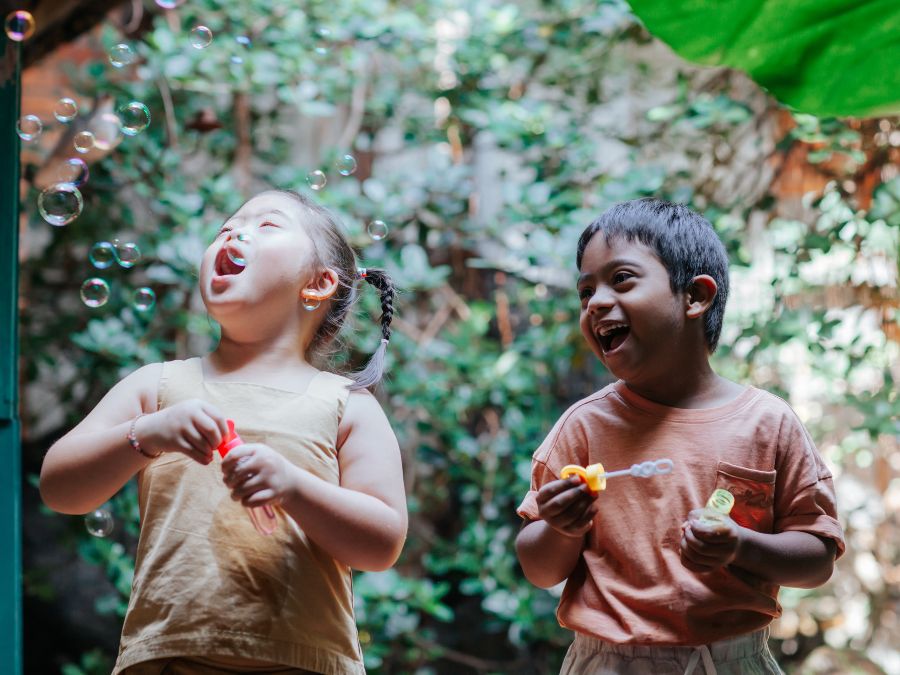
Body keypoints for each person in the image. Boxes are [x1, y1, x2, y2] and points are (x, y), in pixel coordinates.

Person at [40, 189, 408, 675]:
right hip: (170, 656)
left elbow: (382, 544)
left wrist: (295, 487)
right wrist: (146, 433)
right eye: (226, 228)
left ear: (318, 284)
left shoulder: (345, 406)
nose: (234, 233)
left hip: (304, 662)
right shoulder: (159, 386)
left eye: (267, 226)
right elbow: (60, 487)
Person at [514, 198, 844, 674]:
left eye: (621, 279)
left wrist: (740, 546)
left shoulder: (767, 423)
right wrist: (563, 527)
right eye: (585, 291)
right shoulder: (583, 426)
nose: (596, 303)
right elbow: (539, 568)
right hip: (609, 663)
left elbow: (816, 560)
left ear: (695, 297)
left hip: (733, 660)